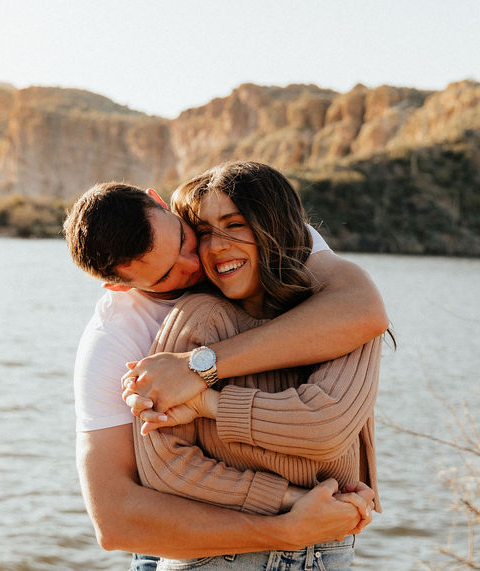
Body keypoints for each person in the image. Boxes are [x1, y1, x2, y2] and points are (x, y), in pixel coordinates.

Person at [64, 168, 389, 568]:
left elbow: (363, 311)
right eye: (168, 274)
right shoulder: (116, 340)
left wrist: (199, 371)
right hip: (182, 539)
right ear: (120, 286)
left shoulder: (252, 230)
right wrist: (286, 527)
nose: (198, 260)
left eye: (185, 238)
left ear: (160, 201)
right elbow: (116, 520)